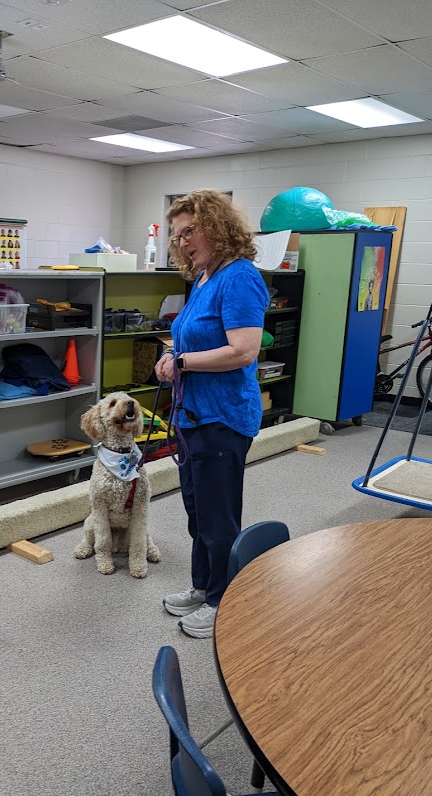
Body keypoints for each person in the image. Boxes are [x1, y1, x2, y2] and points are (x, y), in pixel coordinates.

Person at [156, 189, 269, 638]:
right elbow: (195, 339)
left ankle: (225, 602)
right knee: (197, 513)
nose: (183, 242)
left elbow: (243, 351)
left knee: (219, 518)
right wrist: (172, 358)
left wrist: (181, 362)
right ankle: (203, 586)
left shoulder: (239, 277)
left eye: (190, 230)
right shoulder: (203, 278)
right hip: (193, 416)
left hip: (223, 418)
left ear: (218, 227)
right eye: (177, 235)